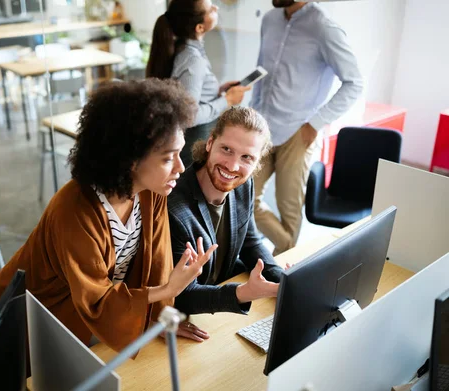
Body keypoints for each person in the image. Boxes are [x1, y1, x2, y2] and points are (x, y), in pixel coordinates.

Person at [0, 79, 217, 352]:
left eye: (179, 154)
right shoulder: (73, 210)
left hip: (81, 312)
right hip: (32, 314)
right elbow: (97, 300)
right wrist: (168, 291)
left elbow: (157, 264)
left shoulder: (151, 192)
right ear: (130, 159)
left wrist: (161, 318)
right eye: (168, 158)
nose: (180, 167)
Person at [250, 0, 364, 255]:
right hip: (262, 126)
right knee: (243, 195)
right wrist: (252, 111)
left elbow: (354, 83)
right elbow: (261, 71)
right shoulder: (269, 20)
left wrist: (316, 122)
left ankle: (280, 271)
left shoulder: (323, 27)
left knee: (288, 208)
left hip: (298, 132)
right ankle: (290, 253)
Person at [168, 107, 288, 334]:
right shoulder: (175, 208)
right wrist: (244, 292)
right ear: (210, 143)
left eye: (246, 157)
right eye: (227, 149)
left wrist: (284, 282)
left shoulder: (244, 185)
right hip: (187, 315)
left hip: (219, 305)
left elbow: (250, 242)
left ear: (257, 162)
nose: (232, 166)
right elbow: (181, 294)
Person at [146, 0, 251, 166]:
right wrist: (227, 101)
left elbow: (186, 93)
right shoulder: (193, 60)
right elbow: (189, 115)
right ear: (199, 28)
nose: (216, 7)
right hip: (193, 143)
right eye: (210, 9)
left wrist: (217, 90)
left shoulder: (184, 50)